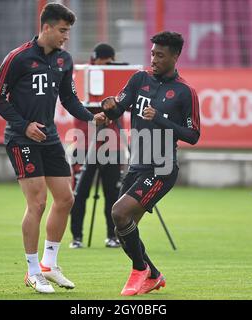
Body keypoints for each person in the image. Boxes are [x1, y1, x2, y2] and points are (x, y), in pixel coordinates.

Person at [0, 3, 106, 294]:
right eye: (63, 31)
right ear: (47, 28)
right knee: (38, 203)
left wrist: (92, 117)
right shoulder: (18, 58)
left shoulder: (64, 60)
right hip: (21, 138)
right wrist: (24, 124)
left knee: (66, 199)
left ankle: (49, 265)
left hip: (50, 138)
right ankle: (31, 271)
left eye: (68, 31)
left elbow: (68, 99)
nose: (66, 37)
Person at [101, 31, 201, 296]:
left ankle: (139, 270)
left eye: (160, 55)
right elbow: (117, 108)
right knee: (121, 226)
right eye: (153, 53)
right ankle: (154, 275)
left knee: (120, 213)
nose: (154, 59)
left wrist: (161, 120)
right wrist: (107, 108)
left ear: (175, 56)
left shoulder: (185, 92)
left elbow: (193, 135)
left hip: (163, 167)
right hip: (137, 165)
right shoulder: (139, 79)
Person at [69, 43, 124, 249]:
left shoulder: (118, 77)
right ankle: (77, 237)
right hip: (85, 142)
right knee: (79, 193)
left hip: (113, 144)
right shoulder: (82, 77)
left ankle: (113, 236)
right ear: (98, 60)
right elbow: (74, 105)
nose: (110, 65)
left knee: (114, 194)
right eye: (108, 62)